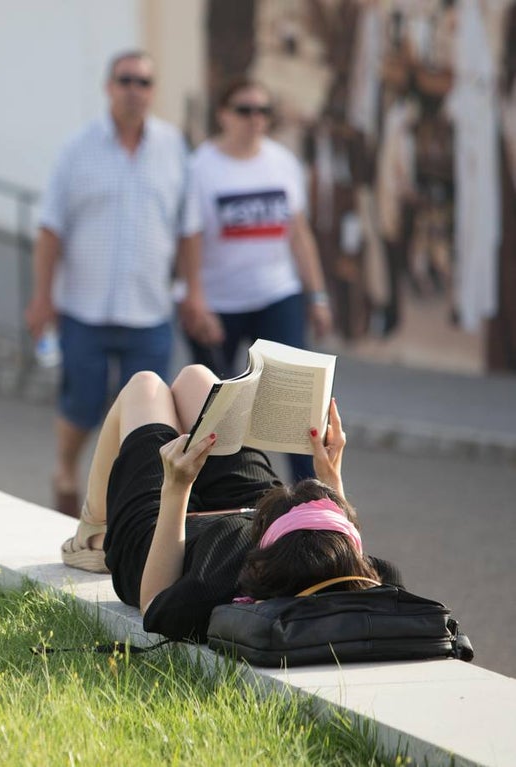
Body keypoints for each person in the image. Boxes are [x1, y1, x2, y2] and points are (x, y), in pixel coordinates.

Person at [59, 364, 401, 642]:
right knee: (200, 380)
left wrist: (177, 489)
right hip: (272, 520)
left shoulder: (216, 578)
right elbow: (337, 563)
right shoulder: (373, 577)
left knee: (145, 387)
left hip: (167, 537)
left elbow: (153, 606)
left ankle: (92, 534)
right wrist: (331, 482)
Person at [25, 50, 195, 518]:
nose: (134, 90)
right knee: (81, 404)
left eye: (144, 81)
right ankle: (65, 468)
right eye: (125, 80)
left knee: (147, 418)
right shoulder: (78, 150)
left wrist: (194, 292)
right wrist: (42, 298)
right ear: (109, 87)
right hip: (84, 308)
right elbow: (50, 229)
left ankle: (123, 508)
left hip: (149, 310)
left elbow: (189, 229)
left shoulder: (174, 149)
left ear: (153, 90)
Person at [177, 78, 333, 483]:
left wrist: (316, 295)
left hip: (276, 294)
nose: (255, 119)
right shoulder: (200, 167)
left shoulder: (282, 162)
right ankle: (221, 495)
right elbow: (189, 236)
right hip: (218, 303)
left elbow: (298, 233)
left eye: (263, 111)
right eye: (245, 110)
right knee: (217, 408)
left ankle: (308, 493)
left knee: (296, 401)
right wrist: (195, 298)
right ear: (223, 115)